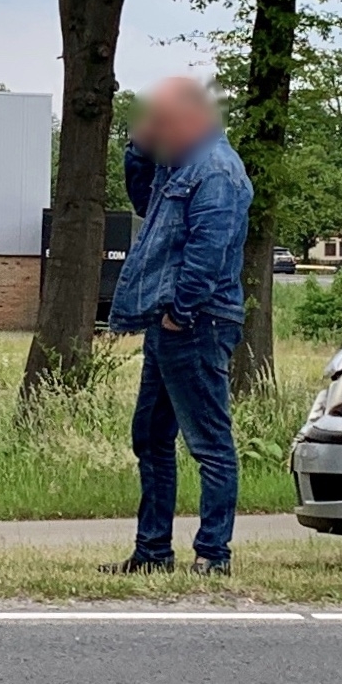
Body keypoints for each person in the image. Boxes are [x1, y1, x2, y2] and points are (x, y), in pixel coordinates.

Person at [106, 76, 252, 574]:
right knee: (149, 437)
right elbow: (145, 205)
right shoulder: (179, 165)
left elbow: (207, 254)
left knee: (210, 443)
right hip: (172, 324)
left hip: (200, 322)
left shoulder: (217, 172)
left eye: (162, 121)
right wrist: (138, 148)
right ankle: (152, 552)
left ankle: (213, 555)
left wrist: (179, 313)